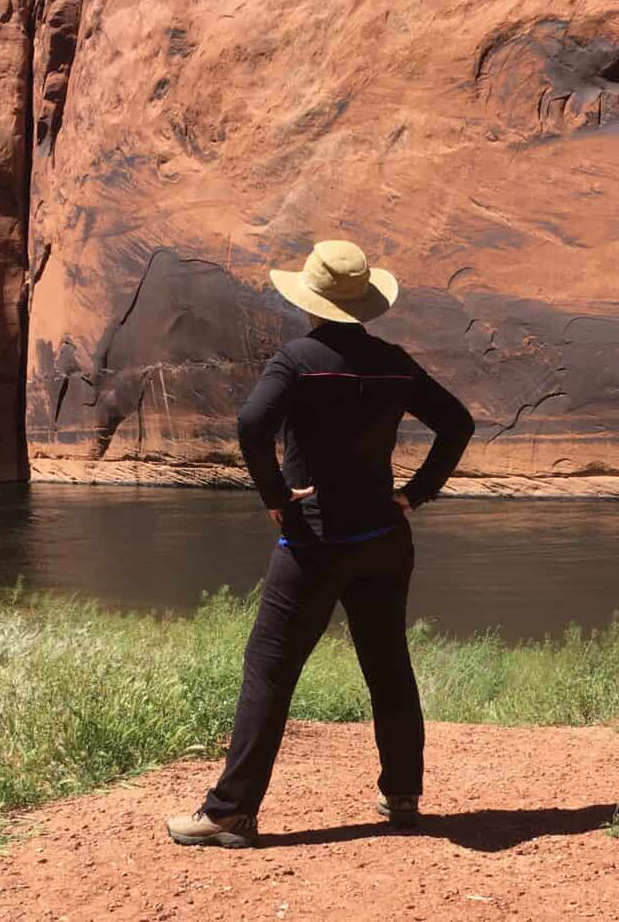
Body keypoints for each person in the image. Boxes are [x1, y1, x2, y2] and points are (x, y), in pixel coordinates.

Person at [167, 240, 475, 848]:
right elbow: (457, 423)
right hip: (385, 537)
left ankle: (230, 811)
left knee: (269, 668)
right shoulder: (393, 361)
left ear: (309, 299)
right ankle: (403, 795)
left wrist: (276, 495)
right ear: (363, 300)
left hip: (314, 540)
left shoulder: (296, 359)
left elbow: (252, 426)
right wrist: (417, 493)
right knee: (387, 663)